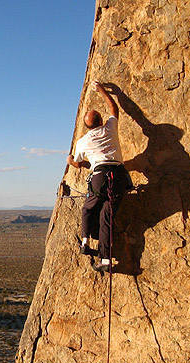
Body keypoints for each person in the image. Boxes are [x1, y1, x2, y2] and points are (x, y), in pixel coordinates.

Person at [67, 81, 132, 272]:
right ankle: (105, 260)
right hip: (119, 176)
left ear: (87, 126)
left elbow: (78, 163)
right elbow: (113, 107)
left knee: (88, 207)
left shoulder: (83, 141)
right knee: (106, 217)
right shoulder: (109, 128)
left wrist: (71, 161)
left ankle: (85, 242)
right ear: (101, 121)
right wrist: (103, 91)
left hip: (99, 177)